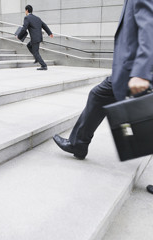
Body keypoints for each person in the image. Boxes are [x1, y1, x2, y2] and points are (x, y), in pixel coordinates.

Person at [53, 0, 153, 192]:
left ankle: (78, 144)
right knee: (98, 95)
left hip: (136, 69)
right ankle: (78, 144)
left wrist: (141, 71)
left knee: (101, 97)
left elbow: (149, 25)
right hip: (130, 68)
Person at [18, 5, 53, 70]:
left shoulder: (27, 18)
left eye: (25, 10)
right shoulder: (37, 18)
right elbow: (44, 25)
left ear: (27, 10)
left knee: (36, 52)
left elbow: (24, 28)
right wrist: (49, 33)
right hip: (38, 37)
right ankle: (37, 58)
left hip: (34, 38)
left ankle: (44, 65)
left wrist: (19, 36)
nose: (25, 12)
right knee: (29, 45)